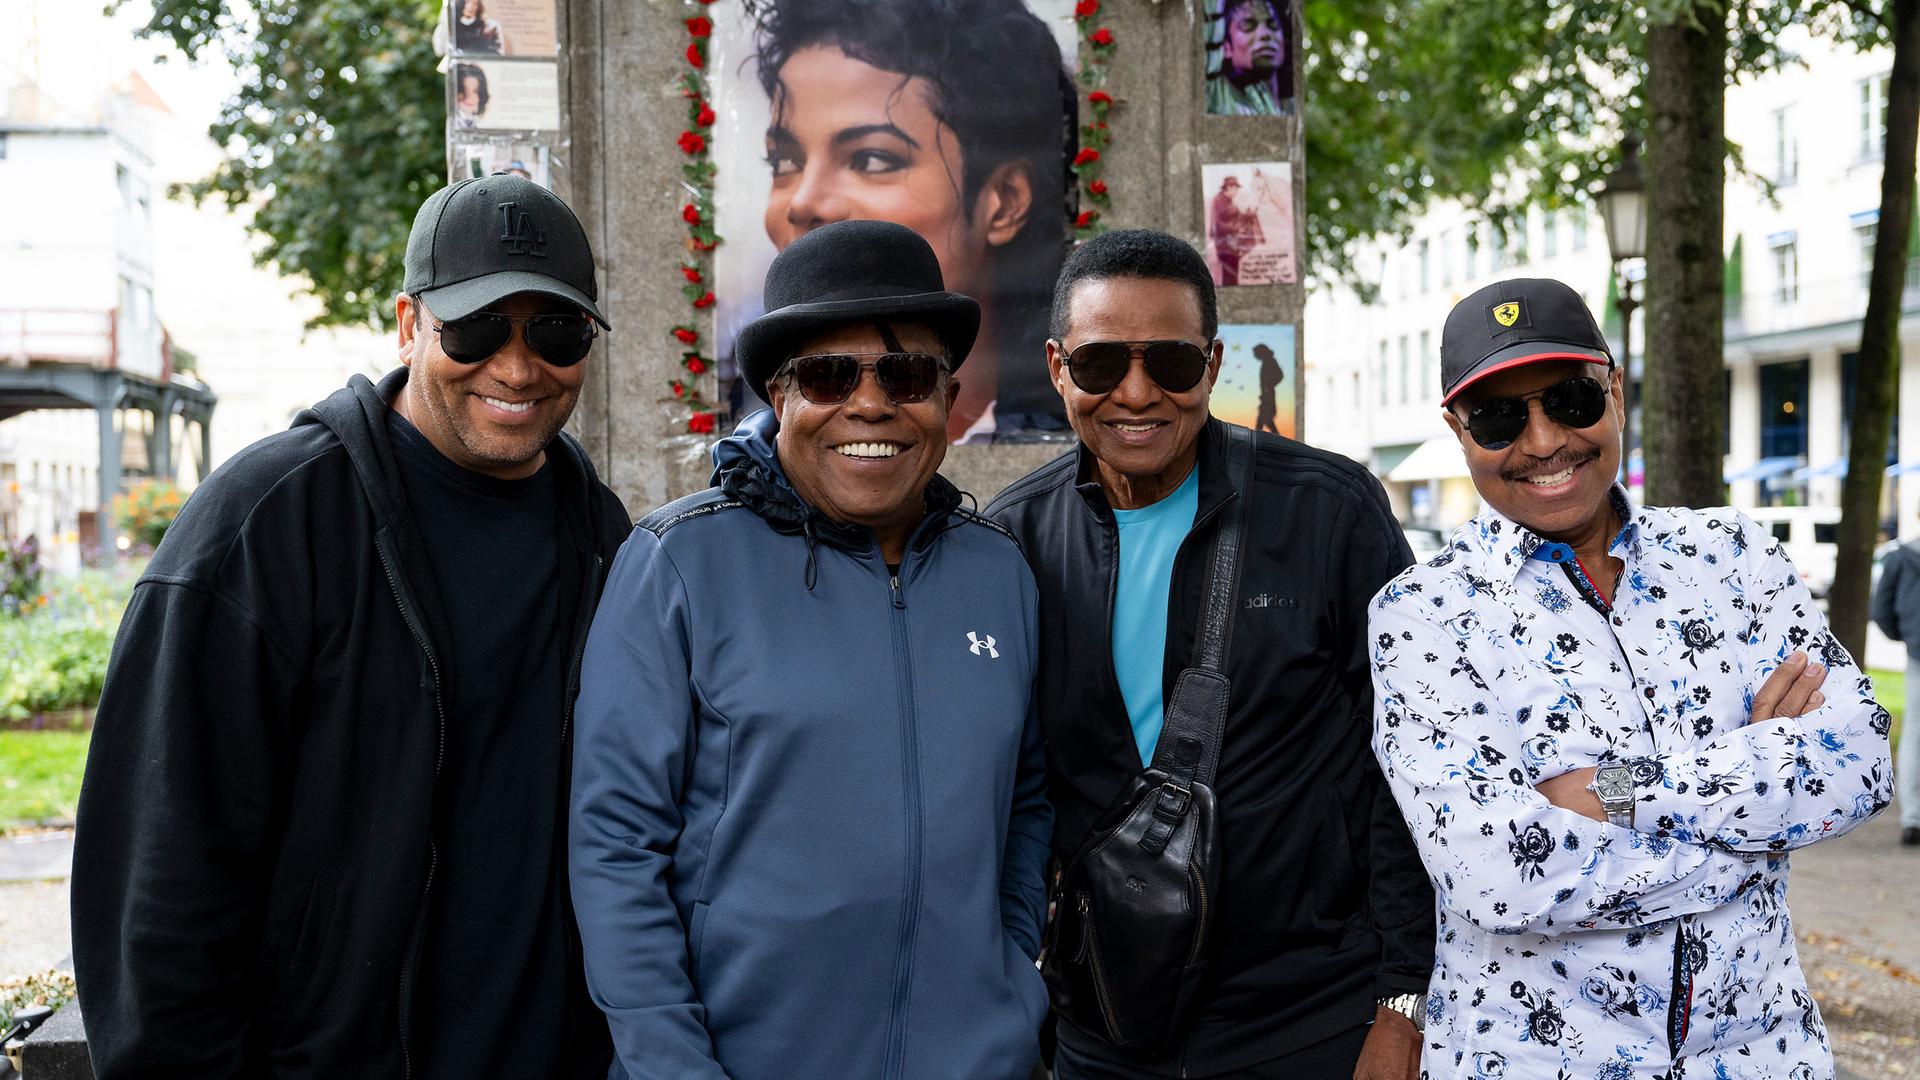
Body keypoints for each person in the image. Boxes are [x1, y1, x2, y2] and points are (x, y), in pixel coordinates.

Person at [70, 174, 627, 1078]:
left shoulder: (601, 536)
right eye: (477, 326)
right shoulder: (264, 525)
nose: (518, 367)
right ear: (409, 325)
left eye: (555, 332)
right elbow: (158, 889)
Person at [1369, 278, 1894, 1079]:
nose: (1544, 441)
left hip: (1765, 1054)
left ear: (1614, 390)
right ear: (1458, 429)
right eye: (1500, 416)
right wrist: (1751, 823)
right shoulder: (1421, 614)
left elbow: (1857, 764)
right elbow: (1498, 877)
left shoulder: (1734, 555)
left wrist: (1609, 793)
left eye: (1571, 399)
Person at [570, 219, 1052, 1080]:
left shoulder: (1000, 573)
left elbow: (1026, 803)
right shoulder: (678, 564)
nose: (871, 405)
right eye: (830, 375)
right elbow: (615, 847)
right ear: (778, 396)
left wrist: (1011, 980)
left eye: (906, 375)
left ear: (947, 396)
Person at [987, 229, 1434, 1079]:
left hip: (1310, 1016)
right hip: (1105, 1024)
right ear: (1055, 367)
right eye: (1100, 364)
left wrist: (1402, 1001)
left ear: (1215, 362)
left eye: (1173, 364)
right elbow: (1008, 795)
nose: (1137, 391)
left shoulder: (1328, 512)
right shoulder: (1014, 540)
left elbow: (1407, 767)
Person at [748, 0, 1076, 442]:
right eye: (785, 159)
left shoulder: (1067, 439)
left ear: (1005, 201)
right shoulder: (746, 434)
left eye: (873, 158)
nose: (804, 202)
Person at [1870, 523, 1920, 845]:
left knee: (1915, 732)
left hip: (1918, 653)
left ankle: (1912, 818)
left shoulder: (1903, 555)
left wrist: (1906, 635)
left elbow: (1881, 609)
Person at [1206, 0, 1291, 117]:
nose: (1265, 34)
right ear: (1226, 47)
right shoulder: (1218, 97)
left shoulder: (1295, 108)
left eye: (1273, 25)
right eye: (1248, 26)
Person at [1253, 342, 1282, 434]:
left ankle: (1256, 444)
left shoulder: (1270, 361)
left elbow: (1280, 375)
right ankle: (1279, 441)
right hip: (1266, 397)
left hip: (1268, 397)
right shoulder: (1267, 361)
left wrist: (1269, 385)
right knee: (1267, 422)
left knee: (1261, 422)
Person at [453, 62, 488, 128]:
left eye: (476, 91)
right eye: (464, 90)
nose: (470, 97)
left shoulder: (483, 123)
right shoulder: (453, 121)